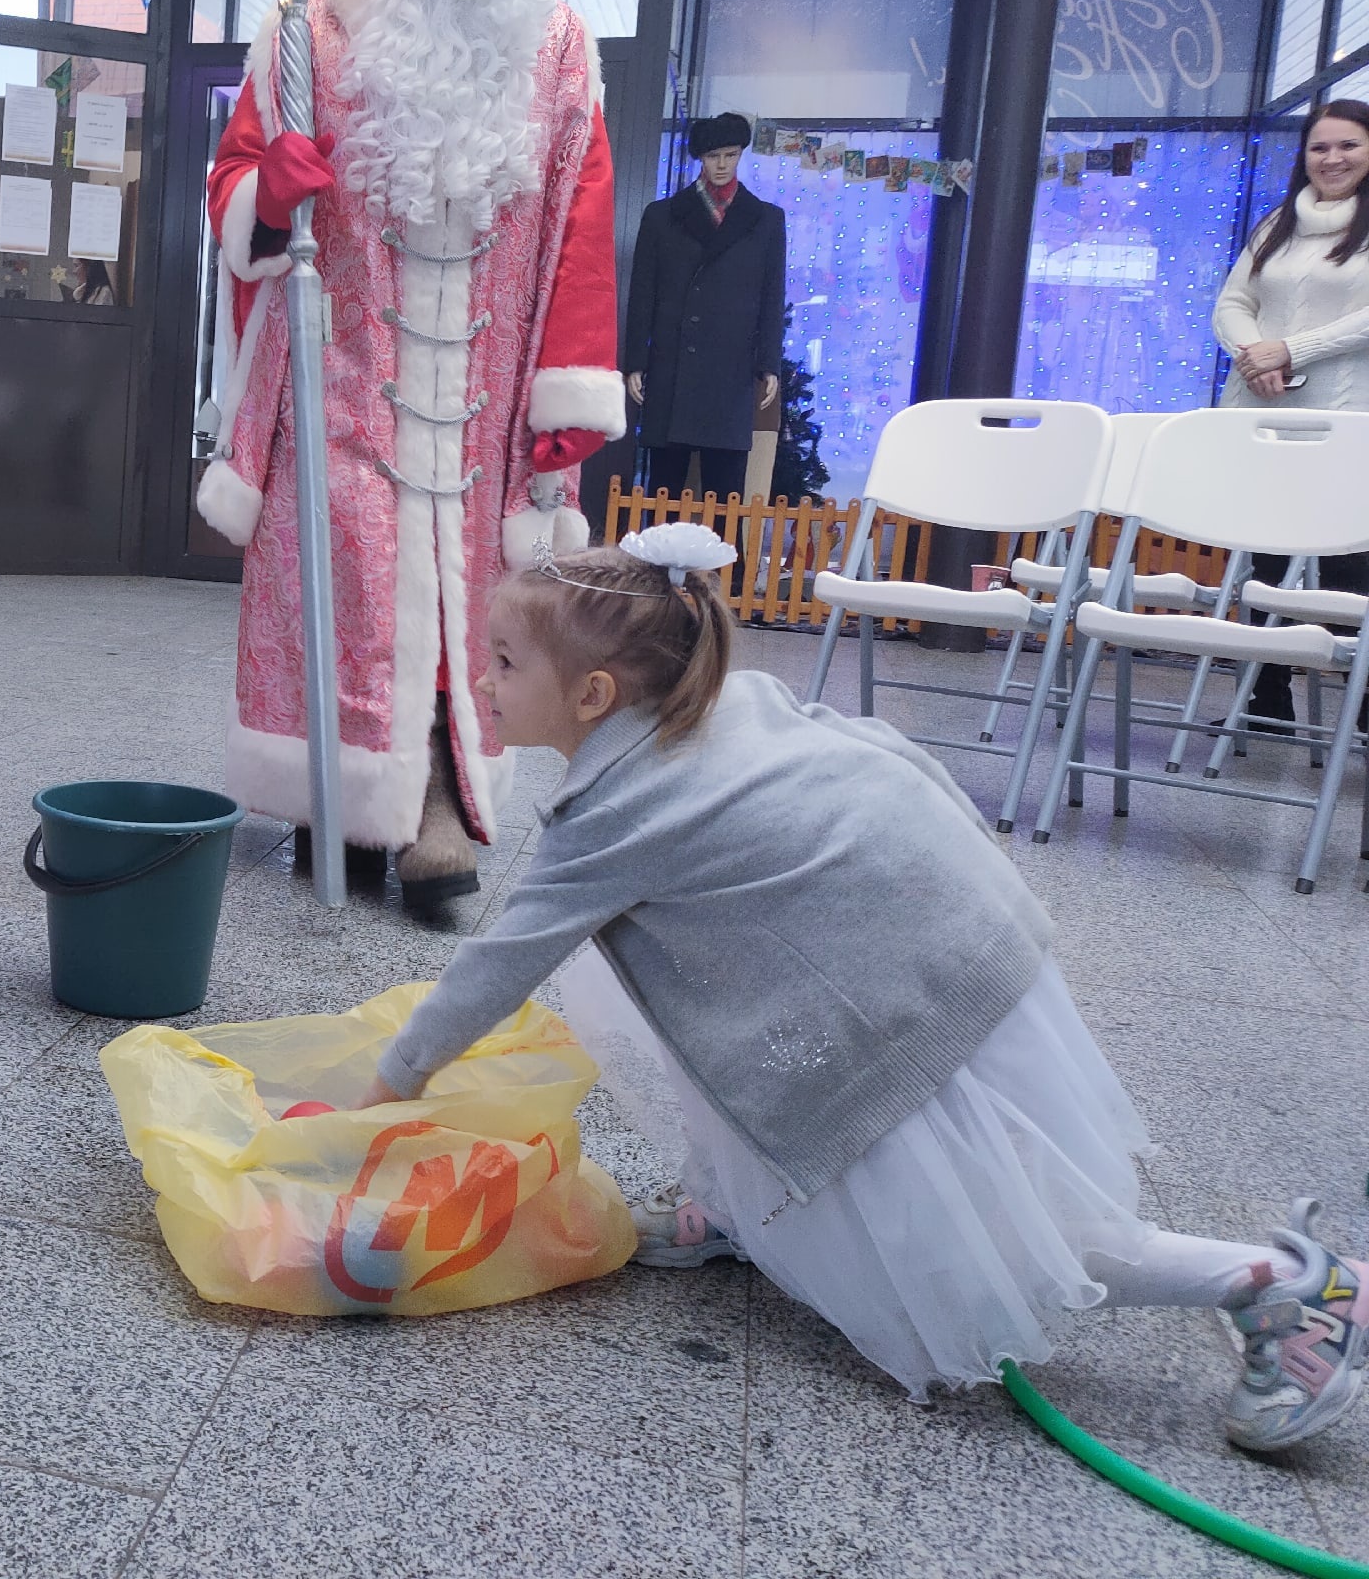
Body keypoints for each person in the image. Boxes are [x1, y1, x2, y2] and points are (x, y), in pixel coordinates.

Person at [359, 528, 1366, 1450]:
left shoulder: (622, 815)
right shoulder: (707, 705)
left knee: (985, 1238)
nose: (482, 681)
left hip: (899, 986)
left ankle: (1282, 1286)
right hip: (938, 925)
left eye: (502, 663)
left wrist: (389, 1084)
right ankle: (739, 1210)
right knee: (714, 1003)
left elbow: (496, 967)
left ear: (590, 697)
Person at [196, 0, 624, 920]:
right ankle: (324, 800)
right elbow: (235, 187)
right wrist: (268, 196)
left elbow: (582, 226)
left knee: (471, 596)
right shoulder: (306, 29)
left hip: (483, 399)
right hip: (336, 375)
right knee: (334, 580)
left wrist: (565, 394)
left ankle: (438, 801)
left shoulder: (560, 48)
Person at [1210, 99, 1369, 727]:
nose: (1332, 159)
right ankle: (1266, 697)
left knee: (1348, 559)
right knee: (1265, 557)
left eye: (1348, 145)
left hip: (1347, 419)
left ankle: (1360, 699)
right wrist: (1255, 356)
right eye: (1319, 147)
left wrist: (1293, 347)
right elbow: (1232, 301)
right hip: (1264, 415)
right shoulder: (1277, 223)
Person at [624, 111, 786, 498]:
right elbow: (642, 292)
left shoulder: (765, 220)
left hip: (730, 370)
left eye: (731, 155)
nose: (722, 165)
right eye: (714, 156)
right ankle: (657, 562)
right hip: (672, 366)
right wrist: (635, 362)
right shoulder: (662, 217)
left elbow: (771, 296)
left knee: (726, 491)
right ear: (701, 158)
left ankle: (728, 562)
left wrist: (769, 364)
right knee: (663, 491)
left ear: (741, 154)